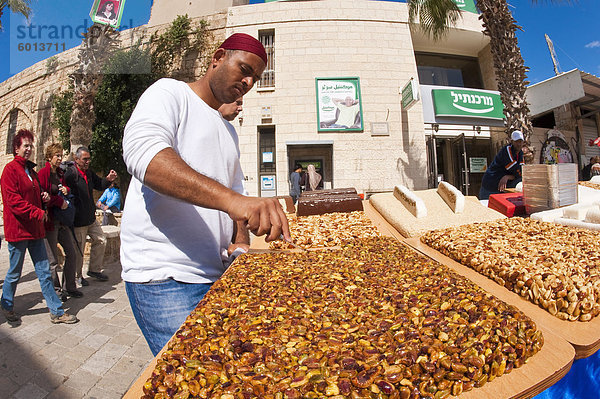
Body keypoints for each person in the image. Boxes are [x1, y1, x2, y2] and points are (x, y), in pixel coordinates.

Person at [122, 33, 290, 355]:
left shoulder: (227, 131)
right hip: (164, 278)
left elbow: (236, 195)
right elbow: (146, 156)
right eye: (244, 69)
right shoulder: (169, 93)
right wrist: (234, 201)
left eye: (255, 77)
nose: (248, 81)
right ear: (217, 57)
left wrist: (240, 245)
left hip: (214, 273)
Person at [0, 129, 78, 324]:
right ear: (16, 148)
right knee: (15, 273)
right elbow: (13, 201)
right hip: (18, 231)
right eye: (25, 145)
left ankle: (57, 312)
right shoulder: (10, 171)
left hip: (35, 230)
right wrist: (37, 212)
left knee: (44, 271)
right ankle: (7, 305)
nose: (28, 149)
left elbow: (35, 194)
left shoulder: (30, 171)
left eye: (30, 146)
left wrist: (43, 197)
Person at [63, 146, 117, 285]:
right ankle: (77, 277)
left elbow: (99, 185)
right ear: (76, 159)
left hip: (90, 218)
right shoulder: (71, 174)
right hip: (78, 220)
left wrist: (108, 179)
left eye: (89, 159)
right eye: (85, 159)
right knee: (79, 251)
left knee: (100, 240)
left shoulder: (89, 173)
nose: (87, 162)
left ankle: (94, 269)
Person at [38, 143, 82, 299]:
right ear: (49, 157)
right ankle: (56, 292)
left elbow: (65, 191)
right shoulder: (43, 174)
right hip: (50, 222)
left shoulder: (60, 173)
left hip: (63, 221)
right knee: (52, 261)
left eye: (61, 155)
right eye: (57, 155)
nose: (59, 158)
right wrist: (57, 201)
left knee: (72, 253)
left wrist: (67, 190)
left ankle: (70, 287)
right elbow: (42, 197)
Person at [479, 130, 525, 200]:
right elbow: (516, 170)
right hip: (490, 187)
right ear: (512, 142)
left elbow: (522, 171)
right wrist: (511, 176)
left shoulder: (520, 153)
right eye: (516, 141)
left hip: (502, 188)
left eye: (520, 141)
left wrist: (507, 177)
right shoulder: (507, 150)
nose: (519, 144)